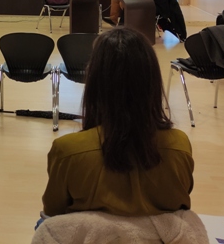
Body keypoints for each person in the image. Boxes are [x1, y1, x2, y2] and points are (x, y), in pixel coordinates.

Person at [39, 28, 193, 222]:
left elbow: (53, 213)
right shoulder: (179, 145)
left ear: (95, 81)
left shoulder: (67, 150)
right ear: (152, 80)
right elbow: (181, 203)